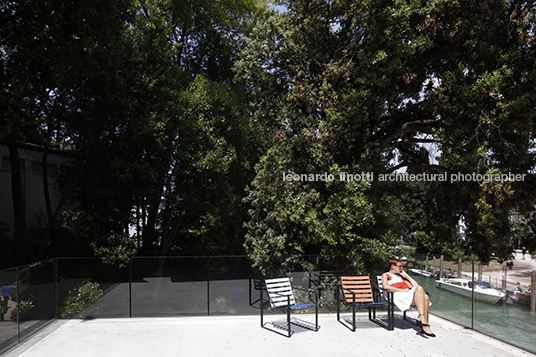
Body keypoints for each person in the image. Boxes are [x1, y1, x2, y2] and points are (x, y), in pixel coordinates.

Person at [382, 258, 435, 337]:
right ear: (393, 266)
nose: (401, 268)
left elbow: (415, 286)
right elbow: (385, 286)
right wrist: (401, 290)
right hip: (396, 295)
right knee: (424, 296)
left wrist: (407, 276)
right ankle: (424, 321)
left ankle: (422, 319)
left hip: (405, 296)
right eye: (400, 266)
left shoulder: (401, 276)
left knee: (425, 296)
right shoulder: (386, 275)